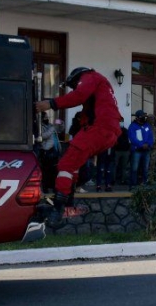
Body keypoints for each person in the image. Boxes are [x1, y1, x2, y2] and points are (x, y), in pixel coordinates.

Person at [34, 67, 122, 225]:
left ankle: (58, 210)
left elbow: (79, 95)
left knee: (65, 165)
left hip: (99, 129)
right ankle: (69, 205)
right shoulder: (103, 86)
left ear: (77, 78)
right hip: (109, 132)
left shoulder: (89, 76)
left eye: (73, 85)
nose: (74, 88)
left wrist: (50, 104)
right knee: (73, 165)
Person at [127, 109, 154, 187]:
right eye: (143, 116)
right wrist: (141, 145)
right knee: (134, 168)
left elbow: (150, 137)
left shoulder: (147, 125)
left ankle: (144, 184)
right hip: (137, 150)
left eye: (144, 116)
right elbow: (132, 138)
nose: (144, 118)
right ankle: (133, 185)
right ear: (138, 117)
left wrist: (148, 144)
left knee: (145, 169)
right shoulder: (132, 126)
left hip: (146, 150)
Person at [37, 115, 62, 194]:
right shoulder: (40, 126)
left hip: (55, 150)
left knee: (55, 170)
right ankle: (46, 187)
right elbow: (43, 136)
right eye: (45, 117)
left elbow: (60, 130)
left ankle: (54, 186)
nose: (47, 118)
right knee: (46, 171)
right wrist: (52, 129)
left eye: (47, 117)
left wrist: (60, 123)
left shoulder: (51, 125)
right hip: (47, 150)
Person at [113, 117, 131, 185]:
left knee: (124, 167)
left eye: (122, 121)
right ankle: (113, 180)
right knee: (115, 166)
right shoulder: (115, 130)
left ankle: (123, 180)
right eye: (120, 121)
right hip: (117, 151)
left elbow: (128, 140)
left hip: (125, 151)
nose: (121, 122)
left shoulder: (126, 130)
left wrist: (128, 149)